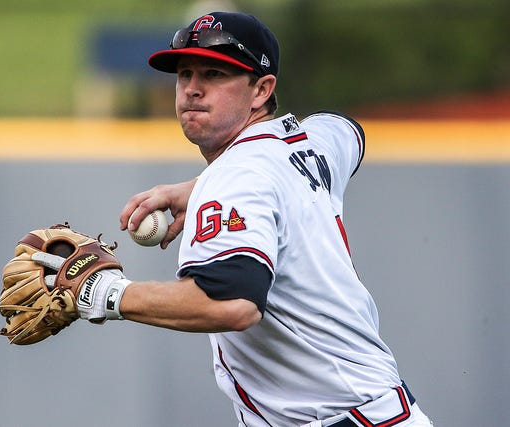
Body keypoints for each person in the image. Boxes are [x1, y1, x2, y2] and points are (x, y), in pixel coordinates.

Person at [49, 11, 434, 426]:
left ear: (261, 89)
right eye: (185, 73)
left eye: (214, 74)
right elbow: (346, 129)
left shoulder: (238, 176)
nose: (192, 90)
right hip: (374, 411)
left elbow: (233, 303)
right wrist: (198, 186)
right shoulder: (303, 145)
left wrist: (105, 292)